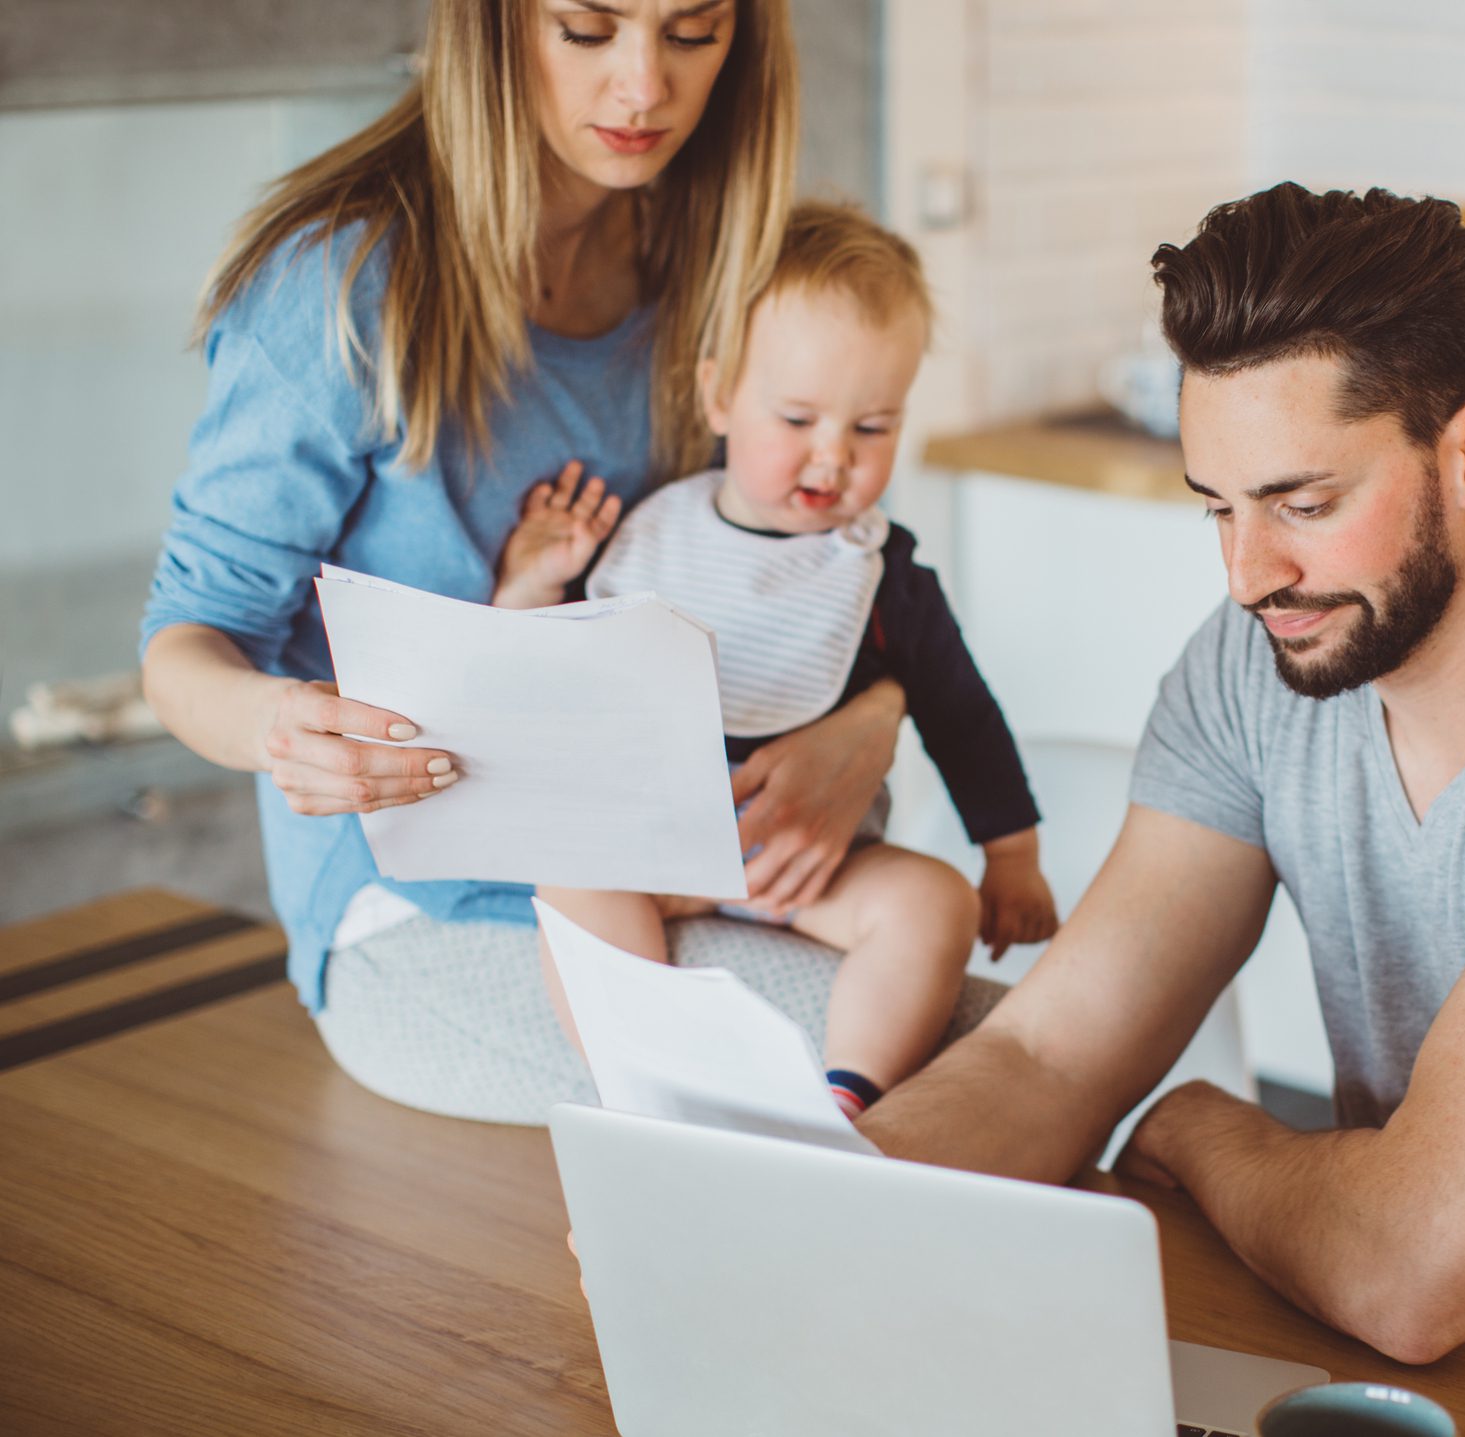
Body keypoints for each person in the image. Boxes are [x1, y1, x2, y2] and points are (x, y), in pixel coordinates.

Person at [861, 183, 1465, 1373]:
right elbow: (1050, 1057)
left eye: (1305, 504)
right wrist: (823, 1190)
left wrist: (1199, 1126)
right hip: (1355, 1363)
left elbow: (1416, 1270)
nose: (1247, 575)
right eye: (1217, 510)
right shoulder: (1253, 667)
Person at [139, 0, 917, 1124]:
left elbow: (837, 548)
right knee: (948, 1079)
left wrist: (873, 718)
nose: (644, 88)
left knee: (1019, 1050)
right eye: (587, 30)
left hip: (669, 859)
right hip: (429, 907)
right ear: (491, 29)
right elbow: (186, 645)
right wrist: (275, 727)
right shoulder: (337, 287)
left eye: (692, 33)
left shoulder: (719, 264)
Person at [501, 202, 1058, 1119]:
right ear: (719, 396)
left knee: (934, 904)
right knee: (568, 879)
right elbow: (563, 673)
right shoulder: (650, 533)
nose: (833, 456)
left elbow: (962, 710)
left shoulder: (883, 573)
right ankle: (642, 1089)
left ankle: (850, 1095)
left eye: (872, 428)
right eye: (797, 417)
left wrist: (1012, 856)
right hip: (656, 852)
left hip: (808, 872)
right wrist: (531, 589)